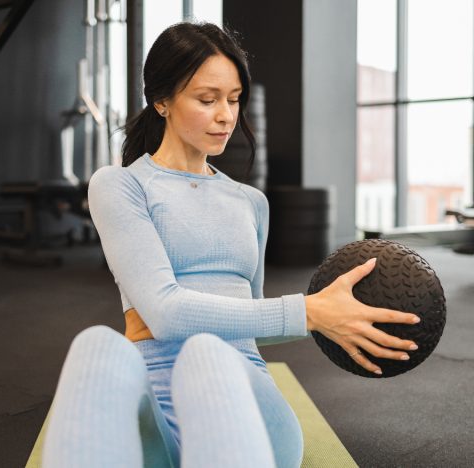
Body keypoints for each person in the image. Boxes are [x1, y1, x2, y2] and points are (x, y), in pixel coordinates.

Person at [42, 22, 420, 468]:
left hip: (244, 407)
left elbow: (244, 321)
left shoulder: (251, 202)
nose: (226, 115)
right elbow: (167, 312)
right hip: (157, 413)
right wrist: (308, 311)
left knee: (207, 351)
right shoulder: (121, 186)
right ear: (161, 101)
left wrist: (324, 317)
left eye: (234, 98)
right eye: (207, 99)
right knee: (96, 345)